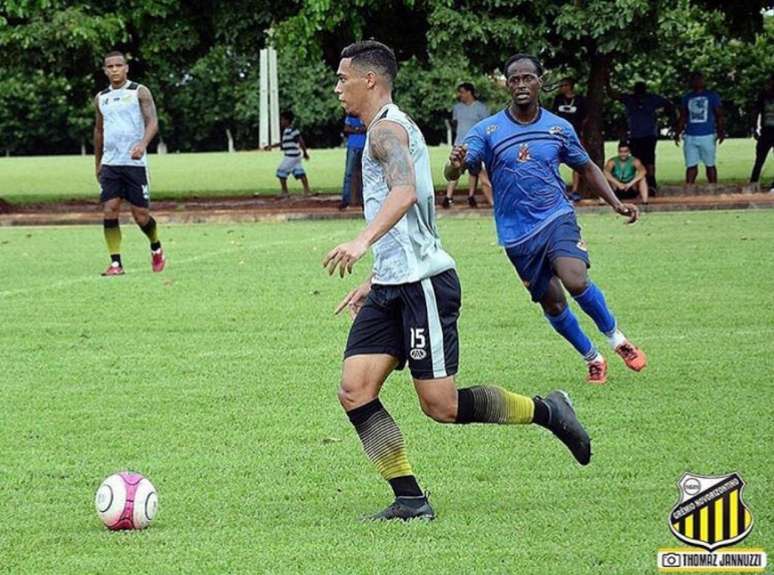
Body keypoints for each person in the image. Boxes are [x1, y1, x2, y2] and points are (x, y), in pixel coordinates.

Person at [325, 40, 591, 522]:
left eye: (343, 78)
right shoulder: (383, 129)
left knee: (441, 407)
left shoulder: (386, 131)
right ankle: (410, 498)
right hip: (393, 285)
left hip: (424, 285)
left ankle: (549, 411)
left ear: (370, 80)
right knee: (354, 390)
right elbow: (411, 215)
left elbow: (404, 193)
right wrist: (377, 274)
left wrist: (362, 241)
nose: (337, 87)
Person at [446, 54, 647, 385]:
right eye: (514, 79)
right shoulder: (487, 130)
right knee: (553, 304)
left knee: (576, 279)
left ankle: (617, 340)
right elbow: (455, 169)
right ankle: (592, 357)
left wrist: (615, 203)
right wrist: (455, 164)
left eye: (528, 78)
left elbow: (586, 167)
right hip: (516, 234)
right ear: (508, 85)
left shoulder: (558, 127)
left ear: (540, 82)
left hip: (556, 216)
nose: (521, 84)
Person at [94, 51, 165, 277]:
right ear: (105, 70)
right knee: (109, 210)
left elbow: (153, 121)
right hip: (111, 164)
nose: (114, 70)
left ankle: (156, 246)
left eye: (118, 65)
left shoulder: (139, 91)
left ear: (126, 68)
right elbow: (99, 130)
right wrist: (98, 162)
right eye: (110, 66)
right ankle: (116, 263)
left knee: (140, 215)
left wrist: (143, 144)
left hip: (134, 164)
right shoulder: (101, 98)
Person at [607, 80, 674, 193]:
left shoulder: (651, 98)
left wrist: (666, 117)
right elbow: (614, 95)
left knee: (649, 161)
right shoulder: (630, 99)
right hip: (635, 135)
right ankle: (639, 185)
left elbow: (668, 105)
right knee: (637, 160)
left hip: (648, 134)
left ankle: (651, 185)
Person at [442, 82, 492, 209]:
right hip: (459, 144)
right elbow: (455, 124)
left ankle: (471, 197)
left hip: (475, 146)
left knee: (474, 172)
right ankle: (448, 197)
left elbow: (486, 127)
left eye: (462, 92)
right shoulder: (457, 108)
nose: (460, 95)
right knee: (455, 169)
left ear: (469, 92)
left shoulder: (481, 108)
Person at [675, 71, 725, 187]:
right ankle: (689, 189)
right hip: (690, 135)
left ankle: (713, 188)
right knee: (691, 165)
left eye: (699, 79)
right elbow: (683, 116)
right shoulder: (687, 97)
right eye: (694, 79)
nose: (697, 82)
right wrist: (678, 132)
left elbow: (719, 115)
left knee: (710, 164)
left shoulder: (712, 96)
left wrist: (721, 131)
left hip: (707, 134)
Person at [552, 77, 587, 201]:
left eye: (563, 85)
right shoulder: (558, 99)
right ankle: (557, 189)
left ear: (570, 86)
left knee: (576, 161)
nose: (561, 88)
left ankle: (575, 190)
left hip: (574, 134)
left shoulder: (580, 100)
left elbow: (584, 118)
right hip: (558, 135)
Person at [266, 111, 312, 197]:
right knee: (299, 172)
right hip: (295, 156)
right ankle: (307, 190)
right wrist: (271, 146)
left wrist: (305, 152)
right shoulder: (286, 131)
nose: (281, 122)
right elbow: (283, 143)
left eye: (282, 120)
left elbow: (300, 141)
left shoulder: (293, 130)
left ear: (287, 120)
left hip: (291, 156)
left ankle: (285, 191)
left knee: (281, 171)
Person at [748, 76, 774, 193]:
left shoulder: (763, 95)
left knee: (759, 159)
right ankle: (754, 182)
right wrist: (754, 127)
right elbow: (755, 111)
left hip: (767, 132)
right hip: (766, 132)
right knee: (759, 159)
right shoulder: (763, 95)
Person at [339, 114, 366, 210]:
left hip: (363, 146)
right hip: (352, 146)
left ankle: (364, 200)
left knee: (364, 175)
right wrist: (359, 129)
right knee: (348, 174)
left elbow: (367, 127)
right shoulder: (350, 117)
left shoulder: (364, 115)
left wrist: (354, 129)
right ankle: (345, 199)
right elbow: (346, 129)